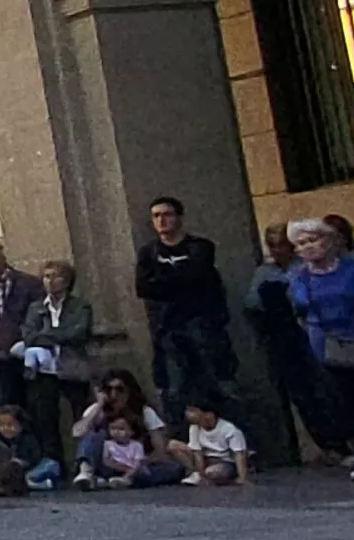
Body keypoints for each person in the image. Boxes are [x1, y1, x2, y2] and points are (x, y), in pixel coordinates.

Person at [283, 217, 354, 478]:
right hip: (327, 345)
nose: (309, 247)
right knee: (345, 400)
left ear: (330, 240)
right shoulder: (299, 278)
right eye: (301, 244)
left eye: (314, 240)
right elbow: (300, 309)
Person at [134, 197, 239, 418]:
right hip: (168, 332)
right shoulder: (148, 253)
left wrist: (164, 280)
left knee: (222, 388)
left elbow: (197, 277)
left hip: (204, 329)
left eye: (167, 214)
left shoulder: (200, 247)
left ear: (179, 217)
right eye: (156, 216)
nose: (161, 220)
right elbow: (144, 287)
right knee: (174, 393)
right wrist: (179, 279)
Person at [247, 227, 340, 464]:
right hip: (284, 340)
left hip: (315, 333)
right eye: (272, 245)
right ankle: (327, 444)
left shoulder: (304, 267)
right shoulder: (264, 273)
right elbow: (253, 305)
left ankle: (349, 441)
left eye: (281, 244)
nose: (277, 250)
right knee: (302, 395)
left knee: (329, 389)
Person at [16, 260, 97, 441]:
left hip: (72, 368)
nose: (50, 281)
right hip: (43, 371)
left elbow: (77, 333)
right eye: (46, 276)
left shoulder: (80, 306)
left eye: (56, 276)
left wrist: (45, 336)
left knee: (81, 416)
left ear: (67, 281)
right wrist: (55, 336)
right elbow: (29, 335)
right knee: (46, 421)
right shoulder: (36, 308)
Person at [0, 243, 46, 432]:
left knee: (37, 411)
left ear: (1, 255)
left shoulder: (28, 283)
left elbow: (39, 316)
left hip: (27, 356)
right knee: (9, 410)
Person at [71, 370, 171, 487]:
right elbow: (78, 433)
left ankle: (118, 480)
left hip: (134, 464)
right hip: (106, 463)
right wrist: (99, 405)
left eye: (119, 390)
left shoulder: (145, 412)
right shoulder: (97, 410)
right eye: (109, 389)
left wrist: (136, 465)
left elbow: (160, 451)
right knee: (93, 434)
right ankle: (87, 473)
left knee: (171, 469)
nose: (114, 395)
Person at [173, 399, 252, 485]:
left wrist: (243, 478)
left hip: (224, 461)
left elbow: (239, 454)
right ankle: (196, 474)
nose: (187, 414)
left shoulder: (229, 429)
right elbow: (197, 452)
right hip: (205, 458)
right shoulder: (194, 428)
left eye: (193, 411)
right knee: (173, 445)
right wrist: (200, 472)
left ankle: (222, 478)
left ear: (209, 414)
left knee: (213, 473)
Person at [0, 404, 57, 493]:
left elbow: (33, 459)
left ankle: (30, 483)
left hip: (29, 470)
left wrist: (19, 462)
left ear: (21, 425)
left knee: (50, 465)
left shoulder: (27, 440)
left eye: (10, 425)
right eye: (1, 425)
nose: (5, 428)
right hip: (8, 472)